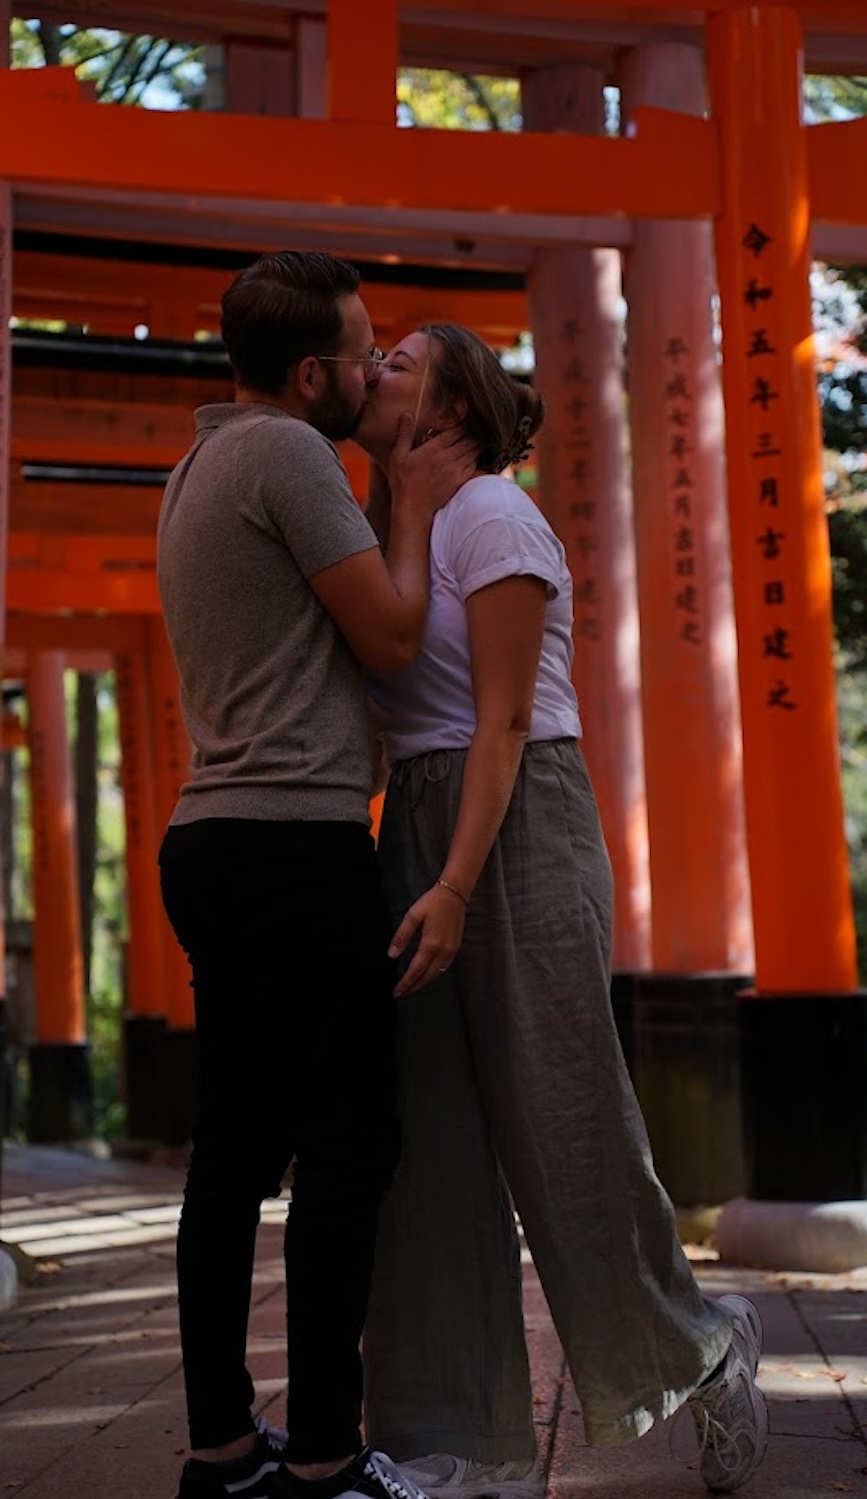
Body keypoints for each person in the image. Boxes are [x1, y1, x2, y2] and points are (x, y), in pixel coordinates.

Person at [353, 324, 770, 1496]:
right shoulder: (407, 519)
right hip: (421, 820)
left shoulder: (493, 513)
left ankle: (705, 1342)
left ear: (450, 403)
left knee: (564, 1125)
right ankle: (454, 1439)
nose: (374, 362)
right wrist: (398, 503)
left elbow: (501, 723)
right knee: (424, 1142)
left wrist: (450, 883)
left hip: (517, 816)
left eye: (398, 355)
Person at [156, 252, 472, 1499]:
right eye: (361, 350)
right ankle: (330, 1458)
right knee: (347, 1146)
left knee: (232, 1151)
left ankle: (223, 1450)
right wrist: (409, 492)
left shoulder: (198, 460)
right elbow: (392, 635)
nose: (374, 364)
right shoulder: (289, 455)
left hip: (212, 837)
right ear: (308, 373)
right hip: (294, 839)